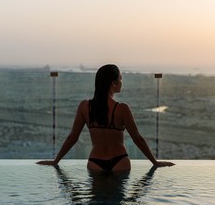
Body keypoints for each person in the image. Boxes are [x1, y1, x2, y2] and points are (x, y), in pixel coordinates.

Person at [37, 64, 174, 171]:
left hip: (95, 161)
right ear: (113, 83)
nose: (122, 81)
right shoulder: (122, 109)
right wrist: (154, 162)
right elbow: (137, 139)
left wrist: (56, 161)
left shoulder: (85, 106)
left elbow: (72, 137)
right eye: (120, 78)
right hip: (120, 161)